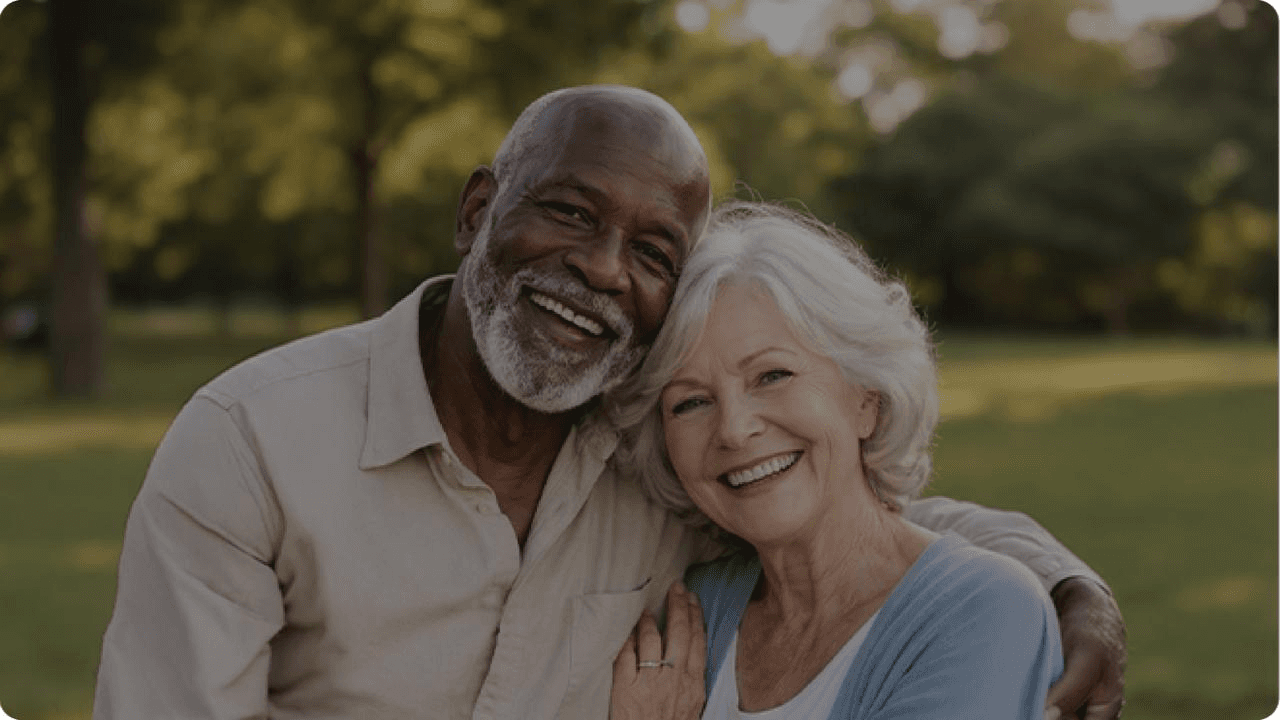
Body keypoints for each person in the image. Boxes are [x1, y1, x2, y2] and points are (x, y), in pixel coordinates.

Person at [92, 85, 1124, 720]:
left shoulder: (657, 445)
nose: (595, 268)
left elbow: (842, 522)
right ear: (477, 208)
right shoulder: (252, 444)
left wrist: (1066, 587)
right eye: (566, 211)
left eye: (650, 252)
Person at [609, 201, 1066, 719]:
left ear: (866, 398)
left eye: (772, 376)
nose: (734, 430)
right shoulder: (696, 607)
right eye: (690, 402)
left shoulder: (984, 611)